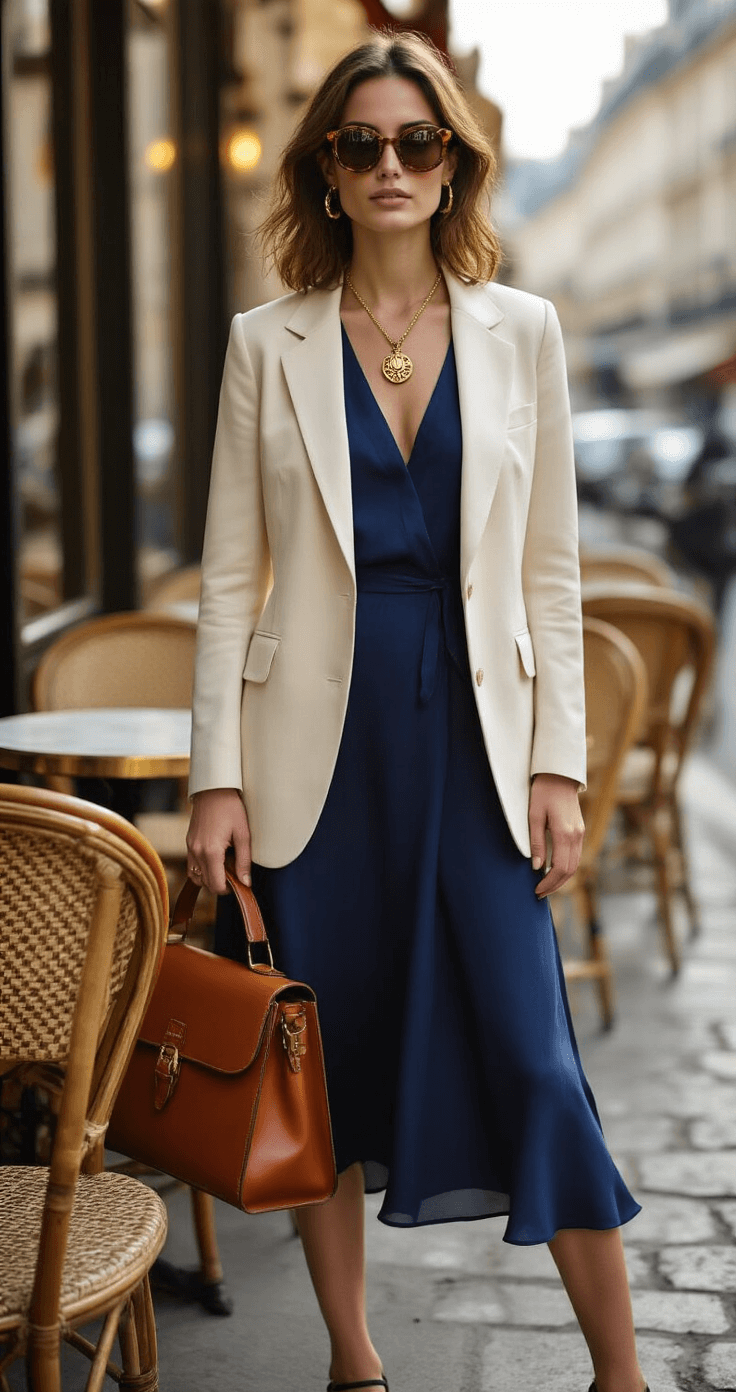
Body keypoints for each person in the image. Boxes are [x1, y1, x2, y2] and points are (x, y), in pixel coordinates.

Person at [186, 30, 648, 1392]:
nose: (391, 165)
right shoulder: (262, 345)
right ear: (327, 171)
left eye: (418, 142)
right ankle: (354, 1358)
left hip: (482, 749)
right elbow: (225, 581)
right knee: (322, 1059)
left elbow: (551, 575)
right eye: (361, 144)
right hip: (309, 761)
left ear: (456, 168)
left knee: (536, 1055)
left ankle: (621, 1373)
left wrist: (558, 768)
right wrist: (218, 780)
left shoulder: (527, 334)